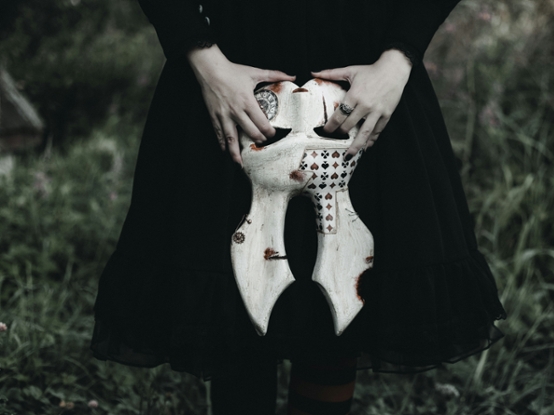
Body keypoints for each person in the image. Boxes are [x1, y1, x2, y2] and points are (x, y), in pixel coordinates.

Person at [91, 0, 507, 414]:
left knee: (338, 303)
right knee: (234, 313)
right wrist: (204, 59)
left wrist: (398, 61)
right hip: (228, 77)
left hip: (366, 80)